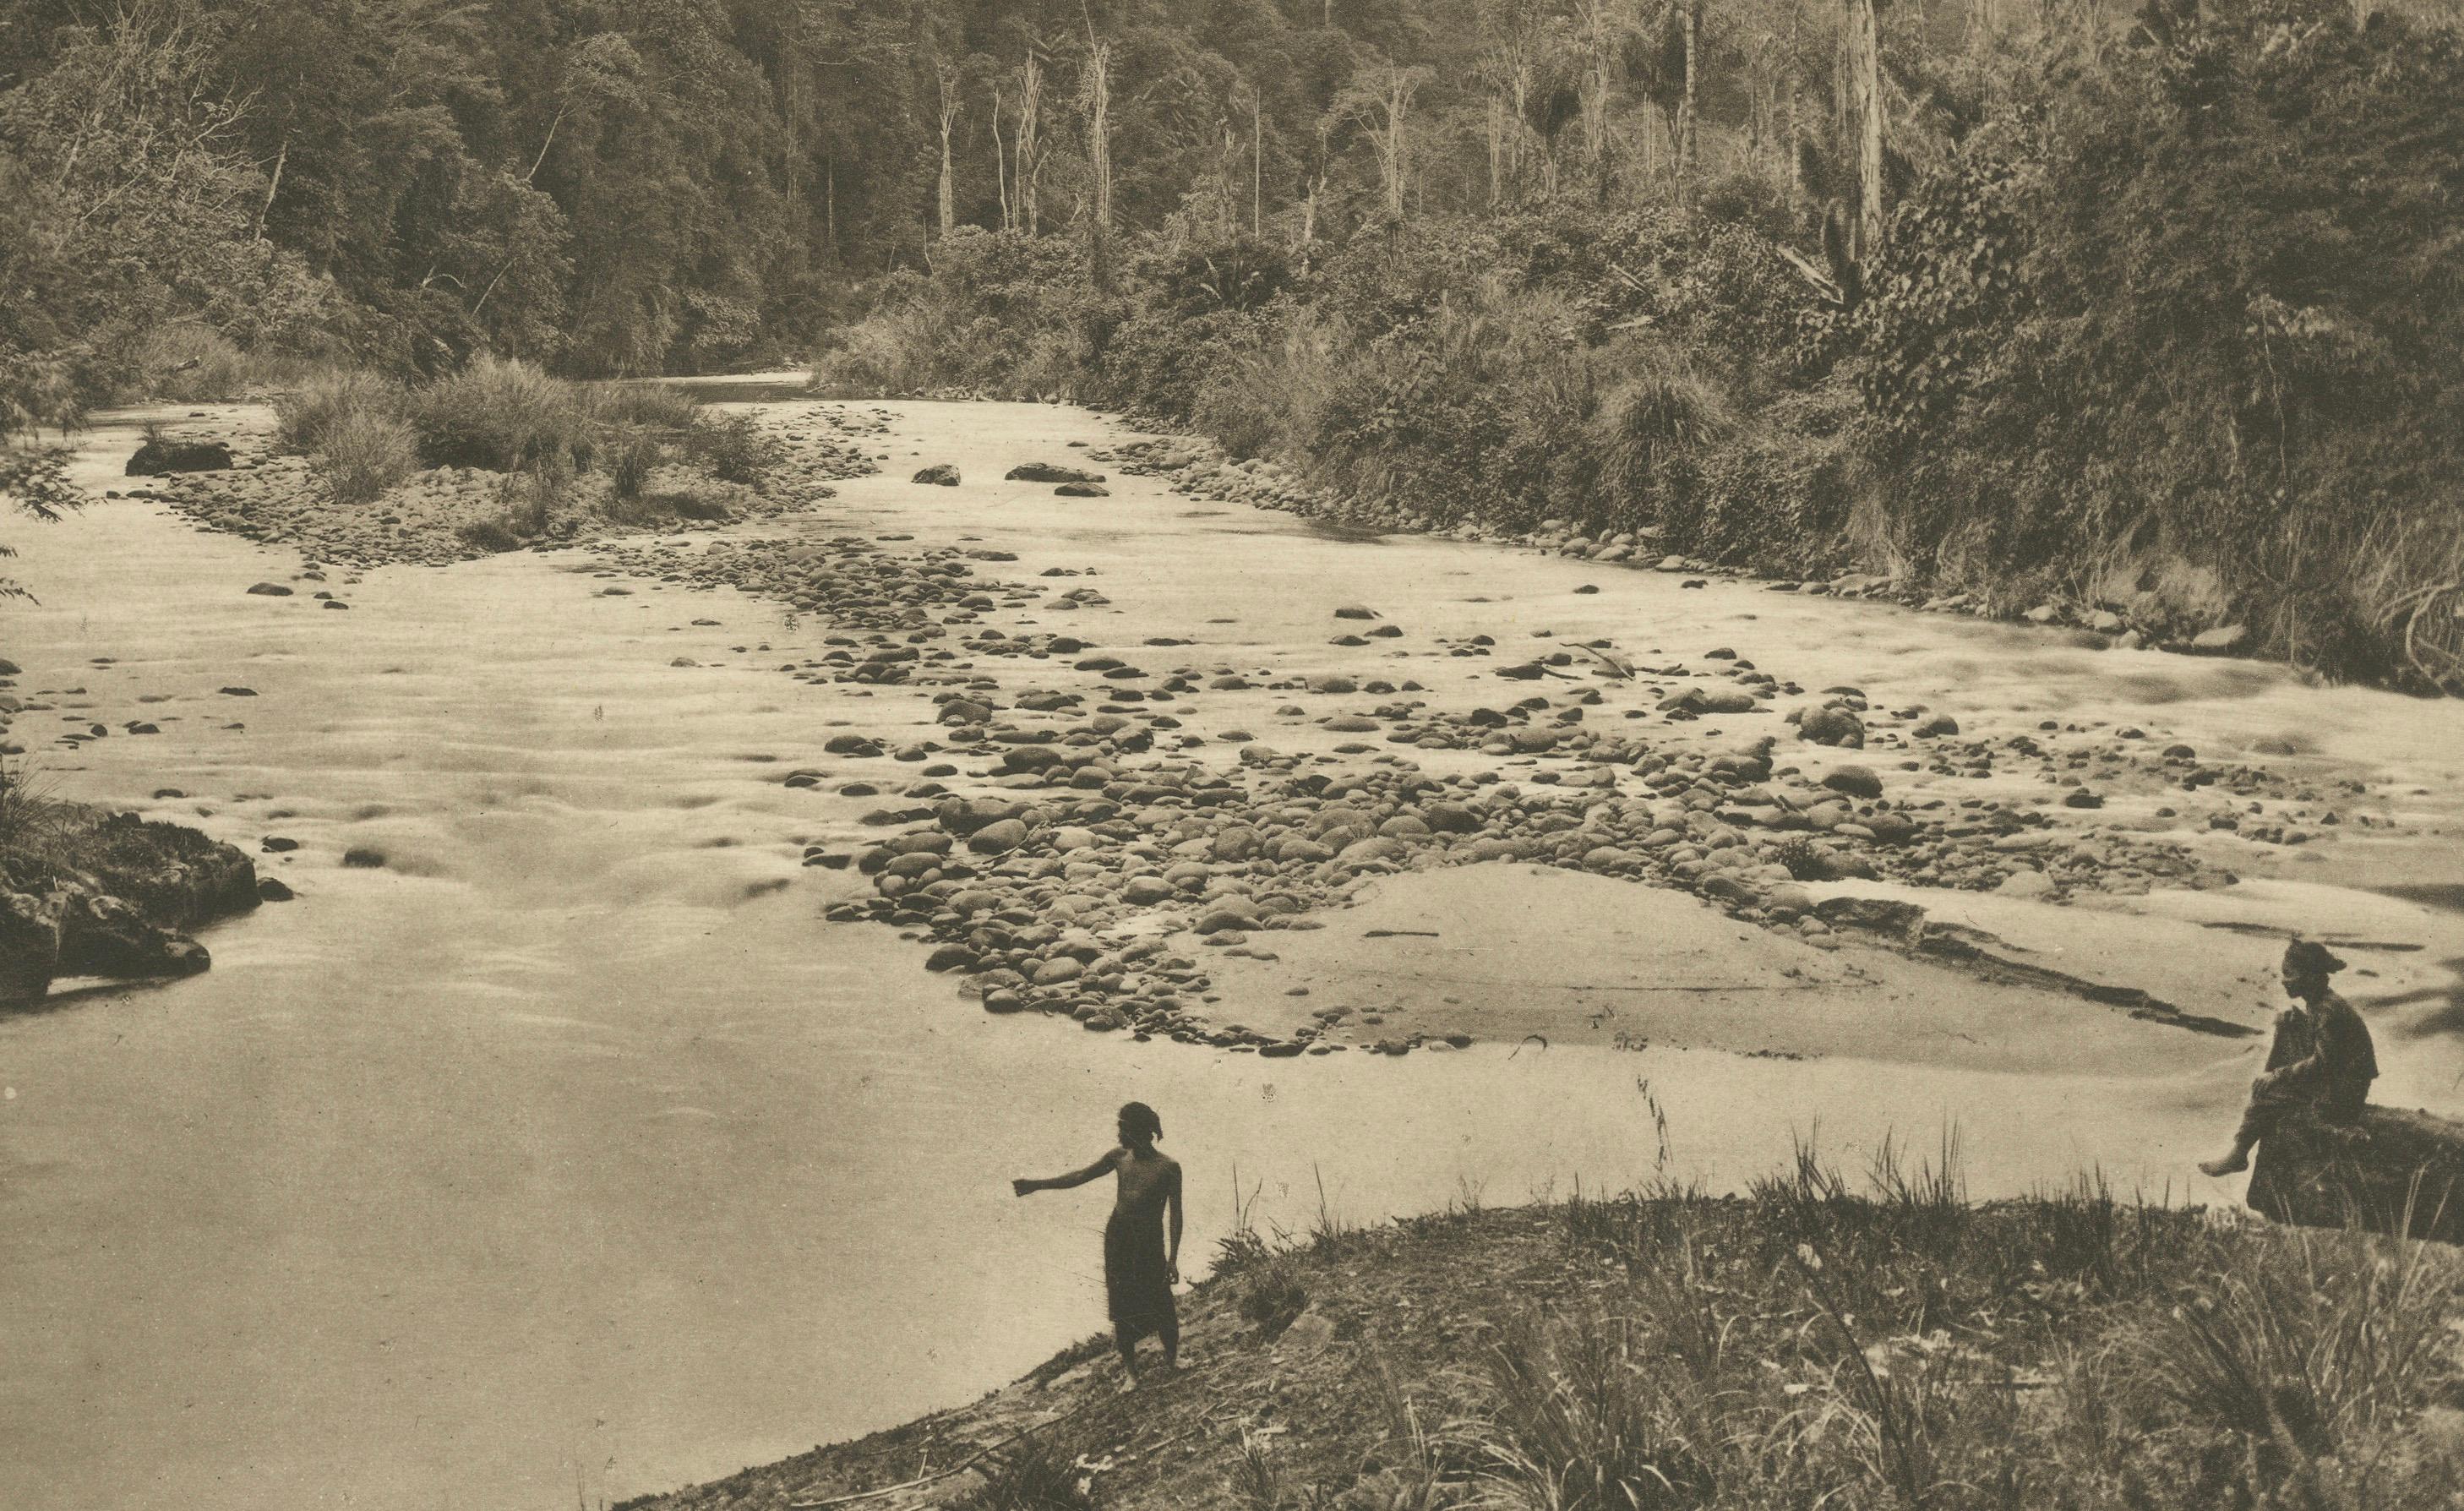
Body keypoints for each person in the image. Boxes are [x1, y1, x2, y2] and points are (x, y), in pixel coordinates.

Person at [1013, 1102, 1184, 1385]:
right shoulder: (1118, 1157)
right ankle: (1131, 1374)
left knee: (1162, 1301)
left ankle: (1173, 1360)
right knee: (1121, 1306)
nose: (1118, 1134)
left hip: (1149, 1241)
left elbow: (1176, 1214)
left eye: (1123, 1128)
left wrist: (1173, 1258)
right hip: (1119, 1237)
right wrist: (1037, 1184)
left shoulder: (1168, 1167)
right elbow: (1079, 1176)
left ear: (1138, 1131)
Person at [2200, 939, 2379, 1177]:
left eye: (2289, 974)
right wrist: (2295, 1022)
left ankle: (2239, 1154)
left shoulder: (2327, 1010)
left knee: (2266, 1095)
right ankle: (2266, 1093)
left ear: (2310, 977)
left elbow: (2322, 1063)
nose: (2284, 980)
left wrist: (2277, 1075)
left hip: (2344, 1092)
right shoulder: (2321, 1002)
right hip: (2344, 1080)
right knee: (2286, 1024)